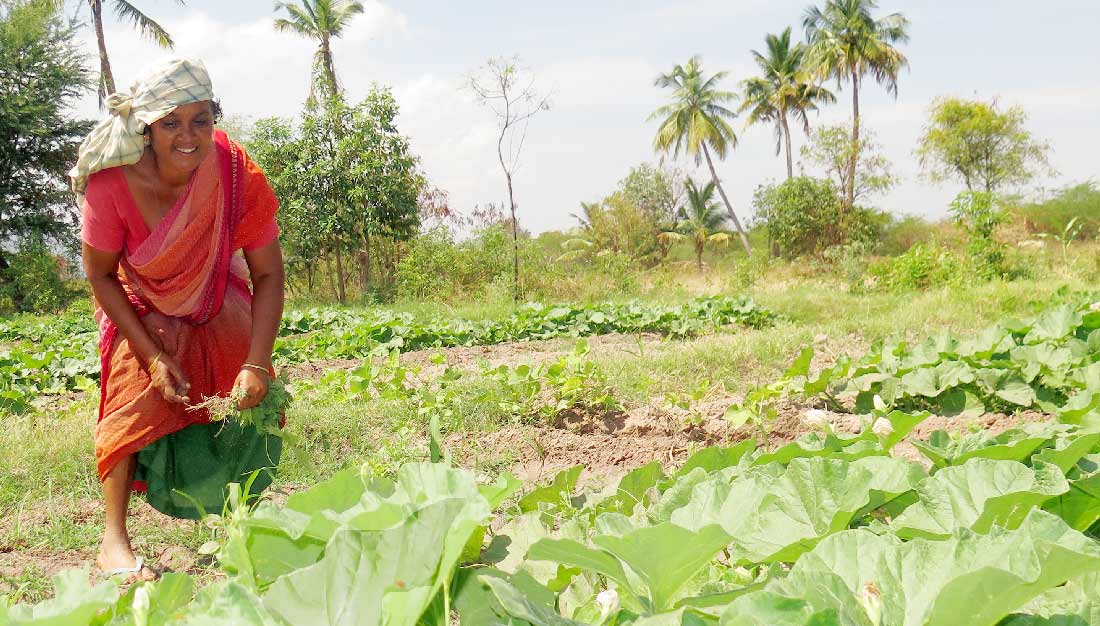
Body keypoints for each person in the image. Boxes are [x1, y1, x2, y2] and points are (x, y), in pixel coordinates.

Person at [70, 57, 285, 581]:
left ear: (215, 118)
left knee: (246, 377)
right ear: (147, 127)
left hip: (213, 291)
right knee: (130, 385)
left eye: (201, 120)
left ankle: (240, 520)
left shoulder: (234, 173)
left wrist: (257, 362)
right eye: (171, 123)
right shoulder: (110, 185)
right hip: (137, 300)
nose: (188, 136)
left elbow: (270, 276)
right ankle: (113, 539)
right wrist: (152, 354)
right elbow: (99, 276)